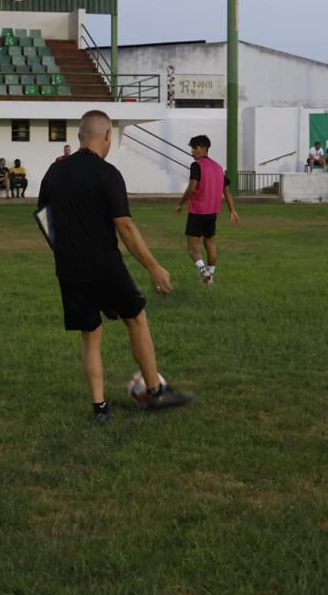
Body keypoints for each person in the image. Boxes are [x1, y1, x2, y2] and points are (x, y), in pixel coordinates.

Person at [37, 109, 191, 423]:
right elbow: (125, 227)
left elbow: (44, 219)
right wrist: (154, 267)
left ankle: (100, 409)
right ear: (106, 135)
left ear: (80, 136)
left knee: (90, 335)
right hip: (104, 265)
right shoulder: (108, 174)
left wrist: (63, 251)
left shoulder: (53, 173)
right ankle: (155, 392)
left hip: (69, 268)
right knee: (136, 319)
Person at [174, 134, 240, 285]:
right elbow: (227, 190)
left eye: (194, 148)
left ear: (204, 148)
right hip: (212, 213)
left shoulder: (197, 165)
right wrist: (232, 210)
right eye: (191, 148)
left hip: (197, 212)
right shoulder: (218, 167)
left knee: (192, 249)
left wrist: (181, 203)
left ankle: (205, 274)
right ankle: (211, 275)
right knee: (210, 243)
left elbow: (192, 187)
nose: (192, 151)